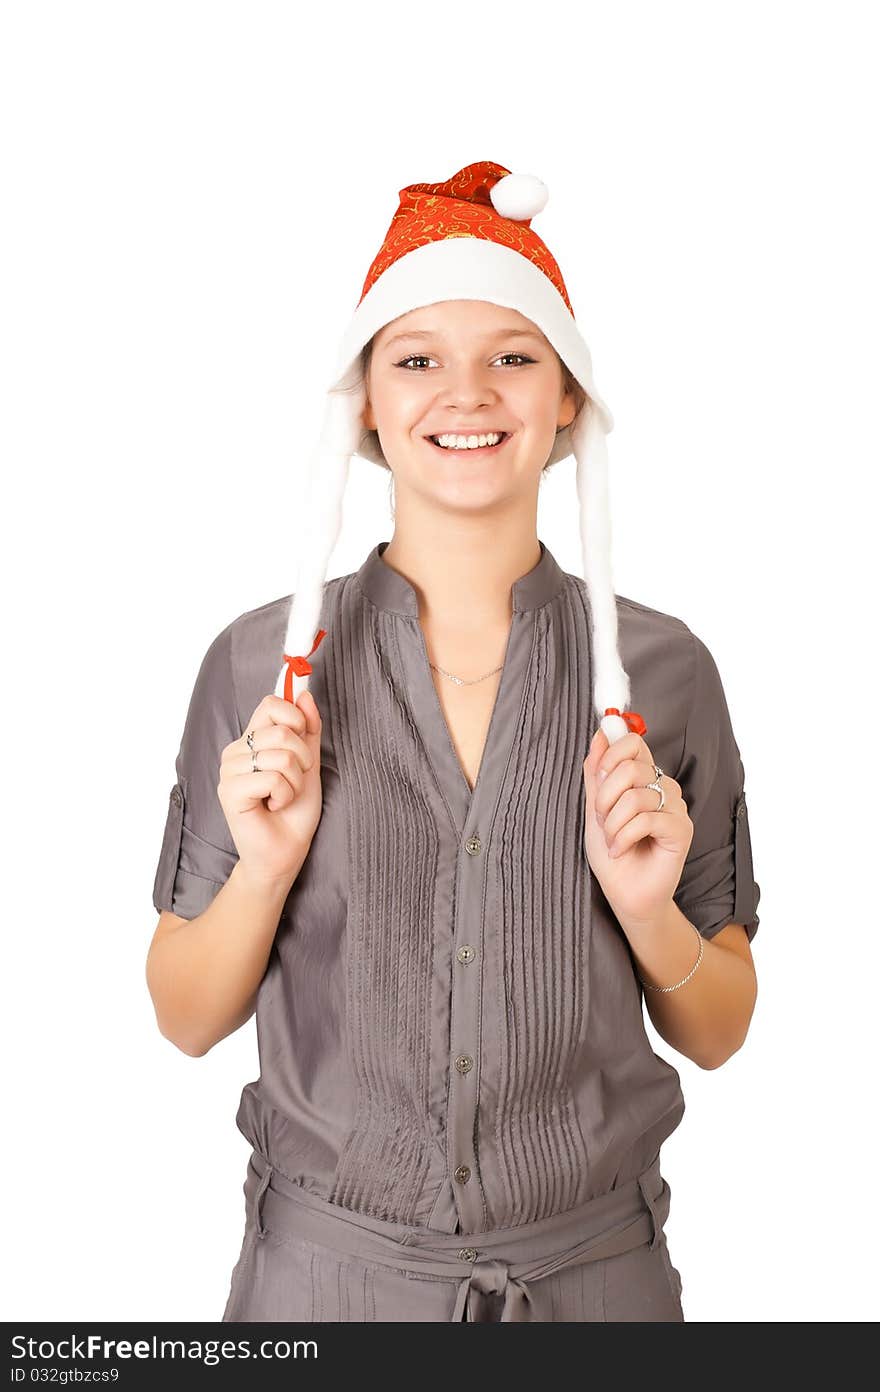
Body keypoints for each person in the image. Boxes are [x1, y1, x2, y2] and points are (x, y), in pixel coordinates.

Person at [146, 160, 761, 1323]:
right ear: (366, 402)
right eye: (417, 357)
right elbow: (183, 1016)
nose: (466, 394)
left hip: (597, 1289)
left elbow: (720, 1027)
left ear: (567, 398)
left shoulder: (665, 674)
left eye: (513, 357)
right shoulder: (257, 669)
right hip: (325, 1291)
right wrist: (266, 869)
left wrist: (644, 908)